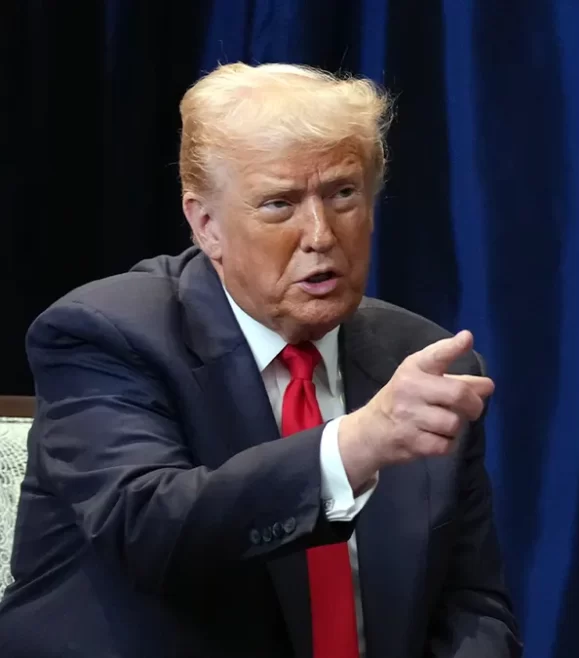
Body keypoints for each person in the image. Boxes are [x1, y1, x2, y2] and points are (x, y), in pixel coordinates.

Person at [0, 62, 520, 657]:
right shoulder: (105, 335)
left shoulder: (424, 361)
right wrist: (354, 446)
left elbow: (472, 606)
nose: (321, 234)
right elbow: (153, 528)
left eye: (343, 193)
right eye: (279, 204)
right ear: (206, 225)